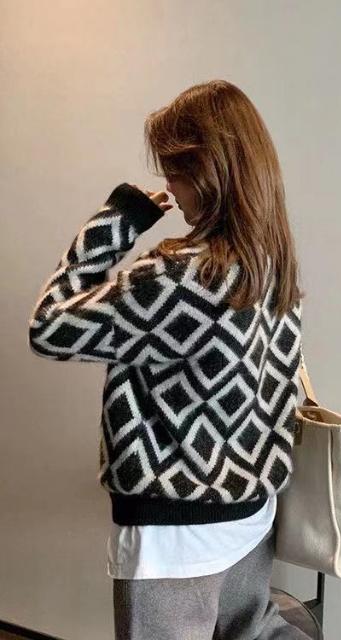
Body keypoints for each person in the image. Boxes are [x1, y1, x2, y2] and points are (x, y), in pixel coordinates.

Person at [28, 80, 311, 640]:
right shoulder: (269, 264)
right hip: (251, 515)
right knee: (256, 630)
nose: (169, 189)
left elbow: (49, 326)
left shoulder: (181, 279)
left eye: (174, 172)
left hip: (176, 538)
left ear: (206, 172)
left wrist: (120, 219)